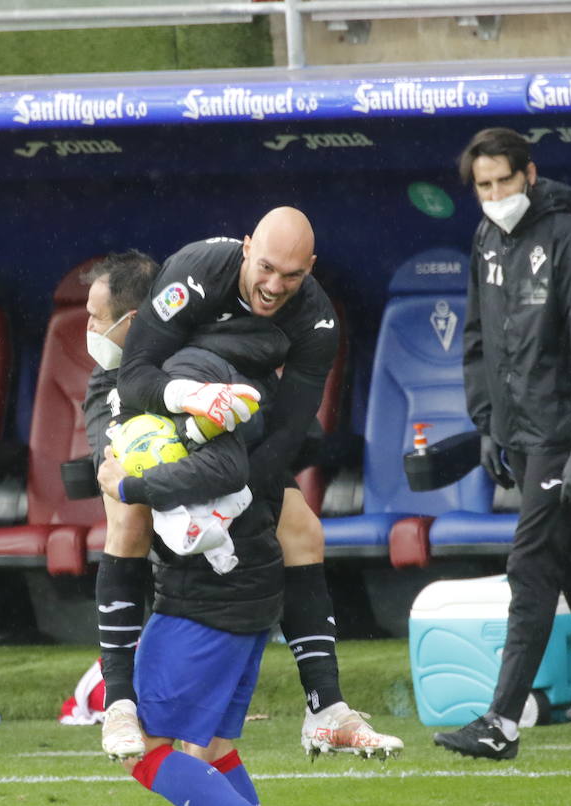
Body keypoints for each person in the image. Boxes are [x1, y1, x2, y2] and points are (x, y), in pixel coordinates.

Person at [92, 214, 402, 764]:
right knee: (128, 511)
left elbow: (286, 434)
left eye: (290, 275)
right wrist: (187, 417)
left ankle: (325, 707)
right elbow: (134, 373)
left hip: (229, 426)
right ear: (245, 249)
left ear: (309, 270)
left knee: (301, 528)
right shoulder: (194, 271)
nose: (274, 285)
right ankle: (118, 701)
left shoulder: (317, 322)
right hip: (151, 399)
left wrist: (224, 495)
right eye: (265, 268)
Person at [433, 126, 571, 760]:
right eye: (485, 184)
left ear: (529, 176)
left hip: (563, 434)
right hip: (520, 432)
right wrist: (487, 424)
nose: (497, 193)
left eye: (506, 179)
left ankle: (500, 723)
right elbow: (478, 340)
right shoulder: (485, 239)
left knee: (530, 566)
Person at [98, 331, 327, 806]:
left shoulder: (179, 387)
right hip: (247, 593)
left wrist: (129, 484)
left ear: (128, 318)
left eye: (93, 315)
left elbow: (225, 474)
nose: (88, 328)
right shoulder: (192, 379)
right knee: (212, 750)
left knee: (143, 751)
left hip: (204, 600)